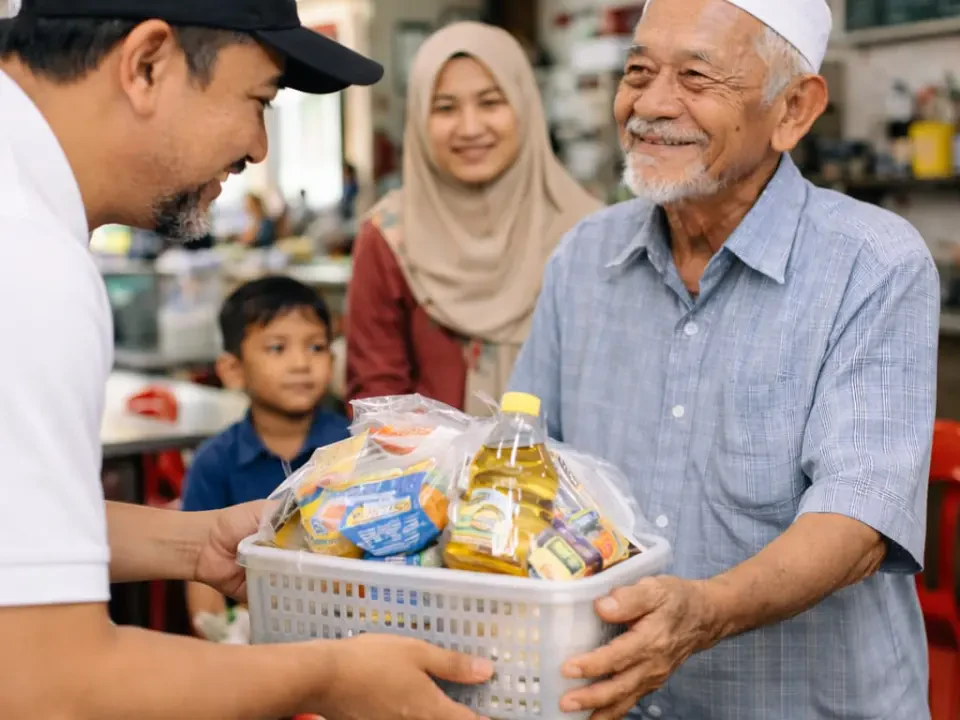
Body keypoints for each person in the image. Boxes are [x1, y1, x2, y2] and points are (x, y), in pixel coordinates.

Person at [0, 2, 493, 719]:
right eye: (258, 100)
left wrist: (198, 544)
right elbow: (50, 684)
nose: (259, 149)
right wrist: (333, 675)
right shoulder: (29, 265)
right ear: (147, 65)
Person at [509, 0, 938, 718]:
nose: (649, 104)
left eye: (696, 77)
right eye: (638, 71)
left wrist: (703, 613)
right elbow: (529, 472)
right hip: (610, 700)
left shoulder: (874, 264)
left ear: (793, 110)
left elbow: (858, 522)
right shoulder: (584, 258)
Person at [346, 22, 602, 416]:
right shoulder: (390, 237)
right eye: (445, 107)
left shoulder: (589, 233)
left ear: (524, 105)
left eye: (490, 102)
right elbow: (377, 400)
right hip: (428, 476)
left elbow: (612, 386)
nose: (470, 128)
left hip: (570, 472)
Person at [183, 276, 350, 628]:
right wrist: (216, 634)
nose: (301, 363)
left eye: (316, 347)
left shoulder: (351, 447)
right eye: (278, 348)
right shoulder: (214, 462)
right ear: (233, 370)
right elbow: (199, 574)